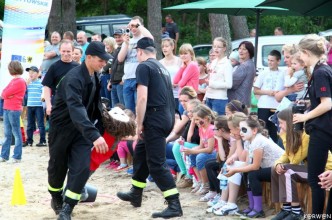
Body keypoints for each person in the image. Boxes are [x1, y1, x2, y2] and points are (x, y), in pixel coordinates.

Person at [116, 37, 182, 218]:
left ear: (139, 51)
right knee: (141, 155)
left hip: (155, 118)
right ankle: (135, 194)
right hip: (166, 117)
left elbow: (142, 98)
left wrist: (138, 123)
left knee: (156, 163)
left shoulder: (143, 66)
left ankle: (174, 204)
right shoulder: (161, 67)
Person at [47, 41, 110, 219]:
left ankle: (68, 208)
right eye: (101, 60)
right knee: (57, 167)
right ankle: (56, 197)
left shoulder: (95, 76)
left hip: (82, 131)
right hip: (62, 130)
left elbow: (94, 104)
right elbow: (76, 108)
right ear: (88, 58)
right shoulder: (73, 78)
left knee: (82, 167)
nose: (104, 63)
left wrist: (106, 121)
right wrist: (95, 135)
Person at [293, 34, 332, 218]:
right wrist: (310, 105)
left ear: (306, 52)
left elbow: (327, 104)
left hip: (323, 130)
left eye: (300, 54)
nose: (299, 58)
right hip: (325, 127)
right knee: (323, 180)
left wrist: (304, 116)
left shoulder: (320, 72)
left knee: (315, 179)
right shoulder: (324, 69)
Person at [225, 115, 284, 218]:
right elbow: (247, 163)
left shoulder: (258, 140)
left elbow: (255, 166)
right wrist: (233, 169)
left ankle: (258, 209)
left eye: (244, 129)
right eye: (240, 130)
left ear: (254, 130)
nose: (241, 132)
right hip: (271, 168)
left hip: (281, 169)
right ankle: (252, 206)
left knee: (253, 174)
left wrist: (235, 170)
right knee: (246, 172)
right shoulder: (249, 141)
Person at [117, 16, 154, 113]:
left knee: (139, 109)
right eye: (131, 25)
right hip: (128, 79)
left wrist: (138, 25)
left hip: (139, 78)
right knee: (129, 112)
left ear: (141, 26)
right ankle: (131, 128)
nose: (133, 28)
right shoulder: (128, 41)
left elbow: (151, 38)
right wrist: (126, 43)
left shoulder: (144, 39)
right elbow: (120, 59)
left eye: (135, 25)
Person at [254, 50, 285, 143]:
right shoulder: (263, 73)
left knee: (275, 131)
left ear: (278, 61)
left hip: (277, 106)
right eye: (268, 60)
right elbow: (256, 90)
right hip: (264, 106)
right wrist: (268, 92)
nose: (270, 63)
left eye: (272, 60)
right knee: (263, 129)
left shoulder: (283, 73)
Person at [42, 40, 80, 116]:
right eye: (63, 51)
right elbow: (46, 86)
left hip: (74, 104)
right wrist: (48, 105)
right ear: (59, 51)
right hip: (57, 104)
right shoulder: (54, 67)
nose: (66, 54)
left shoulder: (78, 67)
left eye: (68, 51)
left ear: (72, 51)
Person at [0, 61, 26, 163]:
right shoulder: (13, 81)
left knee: (16, 133)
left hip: (14, 109)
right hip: (7, 108)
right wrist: (8, 95)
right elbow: (4, 93)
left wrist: (8, 95)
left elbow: (5, 93)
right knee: (7, 133)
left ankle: (17, 156)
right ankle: (4, 155)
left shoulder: (19, 81)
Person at [204, 37, 233, 115]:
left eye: (219, 47)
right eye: (214, 46)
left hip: (219, 99)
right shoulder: (213, 62)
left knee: (217, 124)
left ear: (224, 48)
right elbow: (210, 80)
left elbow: (229, 84)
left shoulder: (227, 64)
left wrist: (211, 83)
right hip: (209, 97)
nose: (216, 49)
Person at [227, 41, 256, 107]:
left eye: (244, 49)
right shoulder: (250, 64)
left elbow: (231, 84)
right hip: (244, 101)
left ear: (249, 52)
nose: (240, 51)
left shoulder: (244, 66)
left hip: (238, 102)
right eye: (239, 48)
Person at [173, 43, 199, 114]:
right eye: (181, 54)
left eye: (185, 53)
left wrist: (179, 82)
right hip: (183, 97)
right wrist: (182, 68)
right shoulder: (185, 65)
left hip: (189, 98)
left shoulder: (192, 65)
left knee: (184, 119)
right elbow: (175, 81)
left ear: (191, 54)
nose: (183, 56)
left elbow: (181, 84)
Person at [24, 66, 46, 147]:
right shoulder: (28, 83)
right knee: (29, 124)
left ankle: (43, 141)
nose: (31, 74)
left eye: (33, 72)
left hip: (38, 106)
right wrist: (26, 84)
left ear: (37, 74)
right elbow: (23, 92)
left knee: (40, 124)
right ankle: (29, 141)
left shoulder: (41, 83)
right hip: (30, 106)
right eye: (29, 72)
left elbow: (44, 94)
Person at [159, 38, 182, 109]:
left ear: (172, 47)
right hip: (165, 95)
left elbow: (184, 76)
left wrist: (178, 83)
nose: (164, 49)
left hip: (178, 95)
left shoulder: (180, 61)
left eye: (166, 46)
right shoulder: (160, 63)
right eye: (163, 47)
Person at [109, 29, 125, 107]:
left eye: (119, 36)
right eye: (116, 37)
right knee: (114, 108)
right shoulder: (117, 49)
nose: (117, 39)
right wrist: (110, 81)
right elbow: (113, 66)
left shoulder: (126, 48)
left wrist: (124, 79)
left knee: (122, 107)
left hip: (121, 82)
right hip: (114, 82)